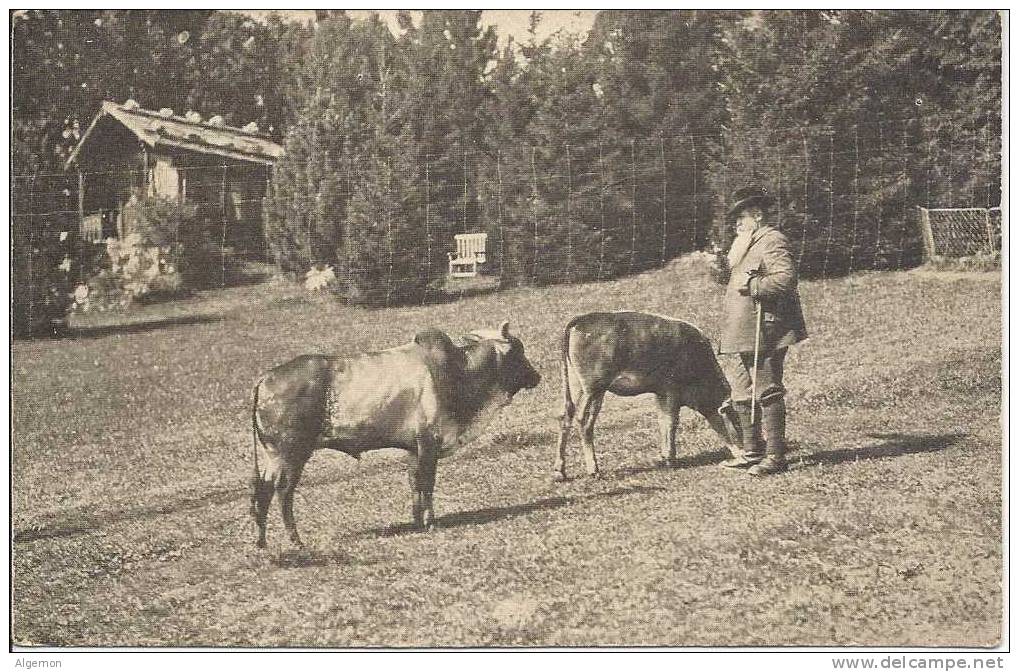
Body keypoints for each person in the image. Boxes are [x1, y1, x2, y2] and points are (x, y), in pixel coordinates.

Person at [717, 186, 807, 476]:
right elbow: (733, 280)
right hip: (743, 331)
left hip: (766, 328)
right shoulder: (745, 244)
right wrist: (716, 268)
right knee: (742, 390)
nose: (736, 225)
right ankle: (752, 450)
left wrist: (755, 286)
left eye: (740, 218)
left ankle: (776, 456)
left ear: (756, 215)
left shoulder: (772, 240)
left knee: (767, 389)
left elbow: (786, 278)